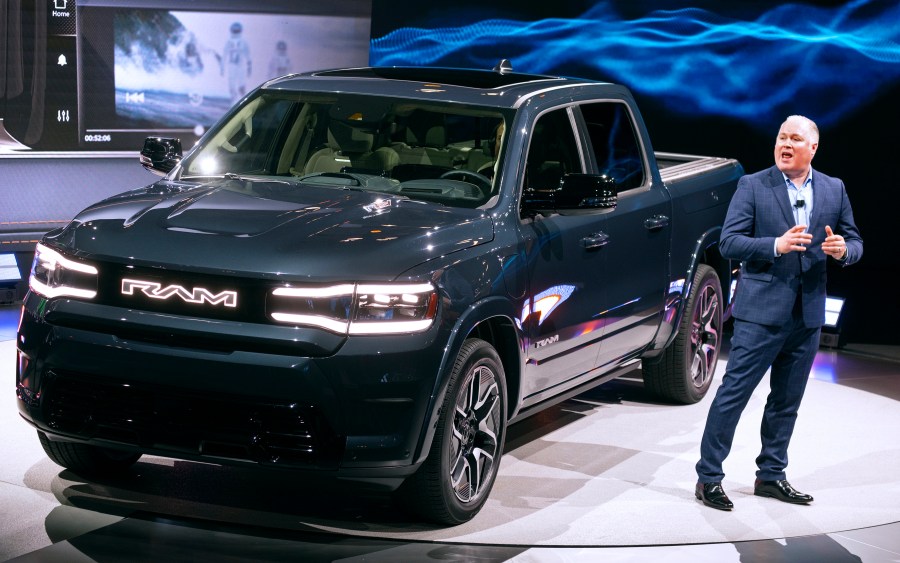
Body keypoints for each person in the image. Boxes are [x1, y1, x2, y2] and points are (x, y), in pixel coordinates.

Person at [694, 115, 863, 511]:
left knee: (786, 401)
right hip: (761, 313)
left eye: (795, 139)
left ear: (813, 148)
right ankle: (709, 478)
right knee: (732, 396)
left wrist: (843, 251)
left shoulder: (834, 189)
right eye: (781, 138)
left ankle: (771, 475)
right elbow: (730, 243)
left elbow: (854, 241)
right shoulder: (752, 185)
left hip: (807, 316)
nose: (785, 145)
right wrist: (775, 245)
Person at [222, 22, 252, 103]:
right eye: (234, 31)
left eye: (237, 31)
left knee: (241, 84)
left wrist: (249, 66)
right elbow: (224, 55)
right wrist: (222, 67)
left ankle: (244, 101)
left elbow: (248, 55)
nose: (235, 33)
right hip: (232, 65)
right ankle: (233, 100)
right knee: (231, 84)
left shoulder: (243, 43)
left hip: (240, 66)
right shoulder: (229, 43)